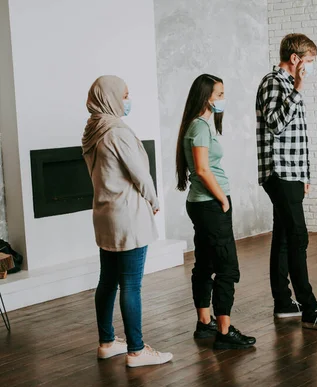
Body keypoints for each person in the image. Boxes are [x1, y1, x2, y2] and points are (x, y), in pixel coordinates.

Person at [82, 75, 173, 367]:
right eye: (124, 95)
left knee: (107, 281)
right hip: (128, 216)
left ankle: (107, 342)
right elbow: (139, 174)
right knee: (131, 285)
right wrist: (154, 200)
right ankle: (136, 350)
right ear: (109, 97)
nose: (127, 100)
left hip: (105, 214)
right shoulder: (117, 132)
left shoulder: (93, 130)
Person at [255, 33, 317, 329]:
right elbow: (276, 125)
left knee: (283, 237)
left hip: (292, 173)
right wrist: (298, 89)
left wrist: (305, 174)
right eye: (309, 61)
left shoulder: (287, 85)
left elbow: (300, 137)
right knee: (298, 237)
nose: (310, 67)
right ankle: (309, 308)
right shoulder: (273, 82)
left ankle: (283, 302)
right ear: (295, 59)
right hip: (279, 172)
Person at [176, 74, 256, 349]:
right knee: (227, 268)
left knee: (206, 264)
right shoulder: (199, 127)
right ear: (206, 97)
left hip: (201, 203)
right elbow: (201, 169)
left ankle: (204, 323)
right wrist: (222, 199)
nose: (223, 99)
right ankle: (223, 333)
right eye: (219, 94)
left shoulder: (197, 125)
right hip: (210, 204)